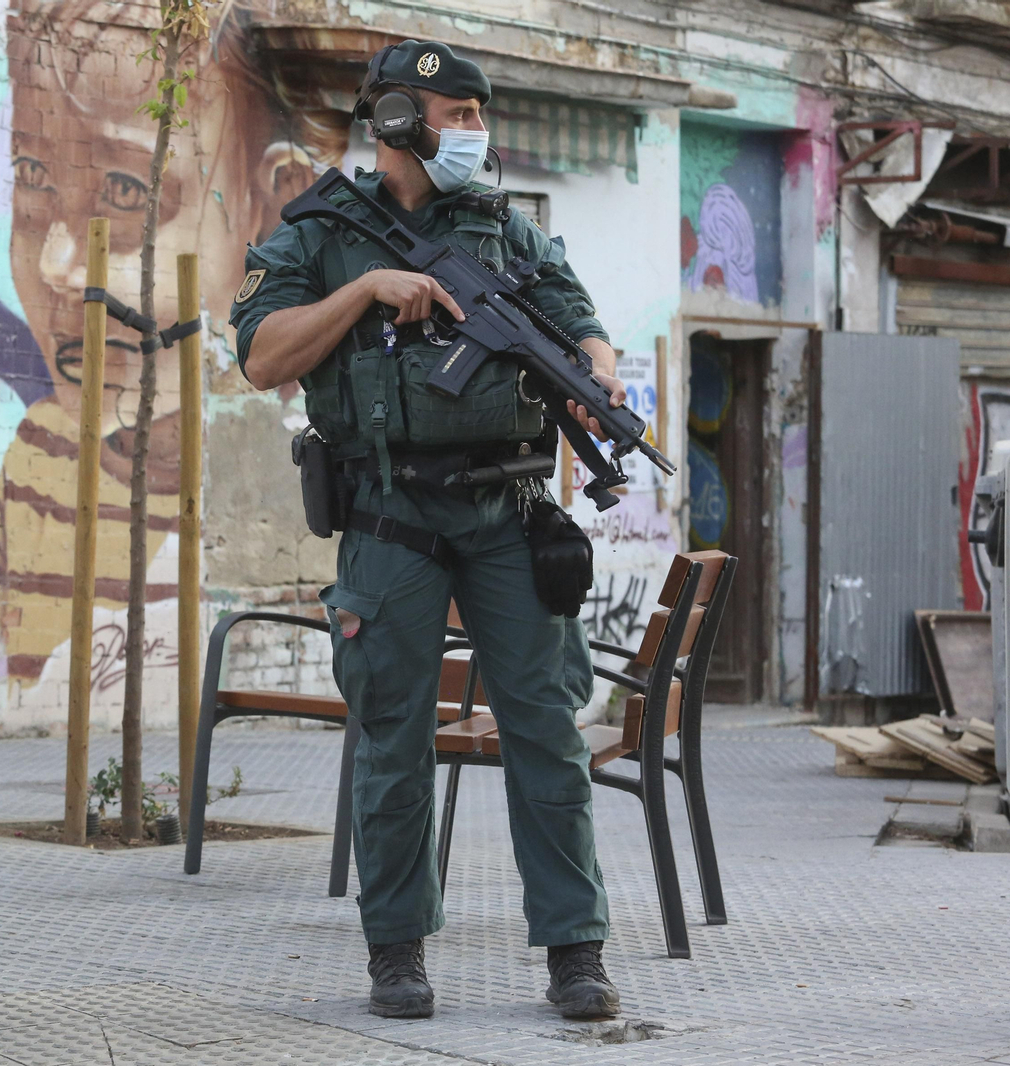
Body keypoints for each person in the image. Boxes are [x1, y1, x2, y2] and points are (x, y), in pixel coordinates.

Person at [229, 41, 627, 1021]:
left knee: (544, 729)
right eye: (456, 115)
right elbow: (259, 353)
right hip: (389, 511)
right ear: (400, 121)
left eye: (474, 117)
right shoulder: (321, 230)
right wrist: (364, 290)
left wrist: (597, 364)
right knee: (391, 740)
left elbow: (577, 315)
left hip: (507, 511)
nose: (472, 134)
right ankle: (396, 948)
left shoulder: (502, 229)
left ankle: (575, 950)